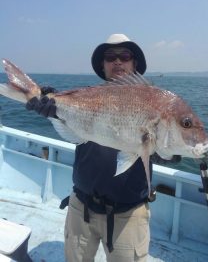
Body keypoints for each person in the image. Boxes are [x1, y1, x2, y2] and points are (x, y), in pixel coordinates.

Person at [26, 34, 180, 262]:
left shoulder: (152, 103)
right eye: (110, 57)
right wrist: (50, 103)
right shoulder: (86, 95)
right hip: (81, 207)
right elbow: (70, 111)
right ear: (103, 64)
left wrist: (171, 149)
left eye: (124, 56)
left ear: (134, 63)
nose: (117, 61)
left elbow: (169, 154)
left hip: (128, 216)